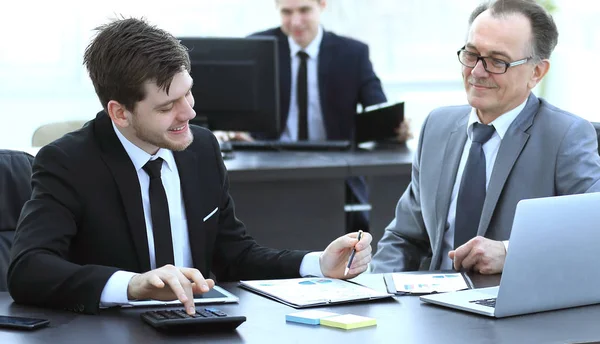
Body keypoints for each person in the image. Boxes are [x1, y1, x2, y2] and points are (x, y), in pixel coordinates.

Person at [7, 17, 372, 315]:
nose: (190, 113)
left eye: (189, 93)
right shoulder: (68, 162)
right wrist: (131, 285)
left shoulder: (201, 150)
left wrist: (317, 265)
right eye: (167, 106)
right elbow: (28, 269)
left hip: (196, 327)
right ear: (120, 113)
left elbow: (235, 255)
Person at [371, 0, 600, 274]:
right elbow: (403, 238)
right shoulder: (437, 126)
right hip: (428, 302)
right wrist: (376, 295)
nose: (477, 72)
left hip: (509, 307)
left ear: (536, 73)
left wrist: (509, 251)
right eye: (471, 54)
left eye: (497, 61)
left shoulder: (564, 136)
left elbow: (593, 231)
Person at [221, 0, 410, 233]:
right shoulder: (257, 47)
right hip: (269, 166)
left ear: (322, 5)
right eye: (287, 12)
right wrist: (233, 129)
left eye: (304, 10)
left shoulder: (352, 53)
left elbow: (378, 109)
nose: (295, 21)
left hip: (334, 170)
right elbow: (235, 110)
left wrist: (395, 129)